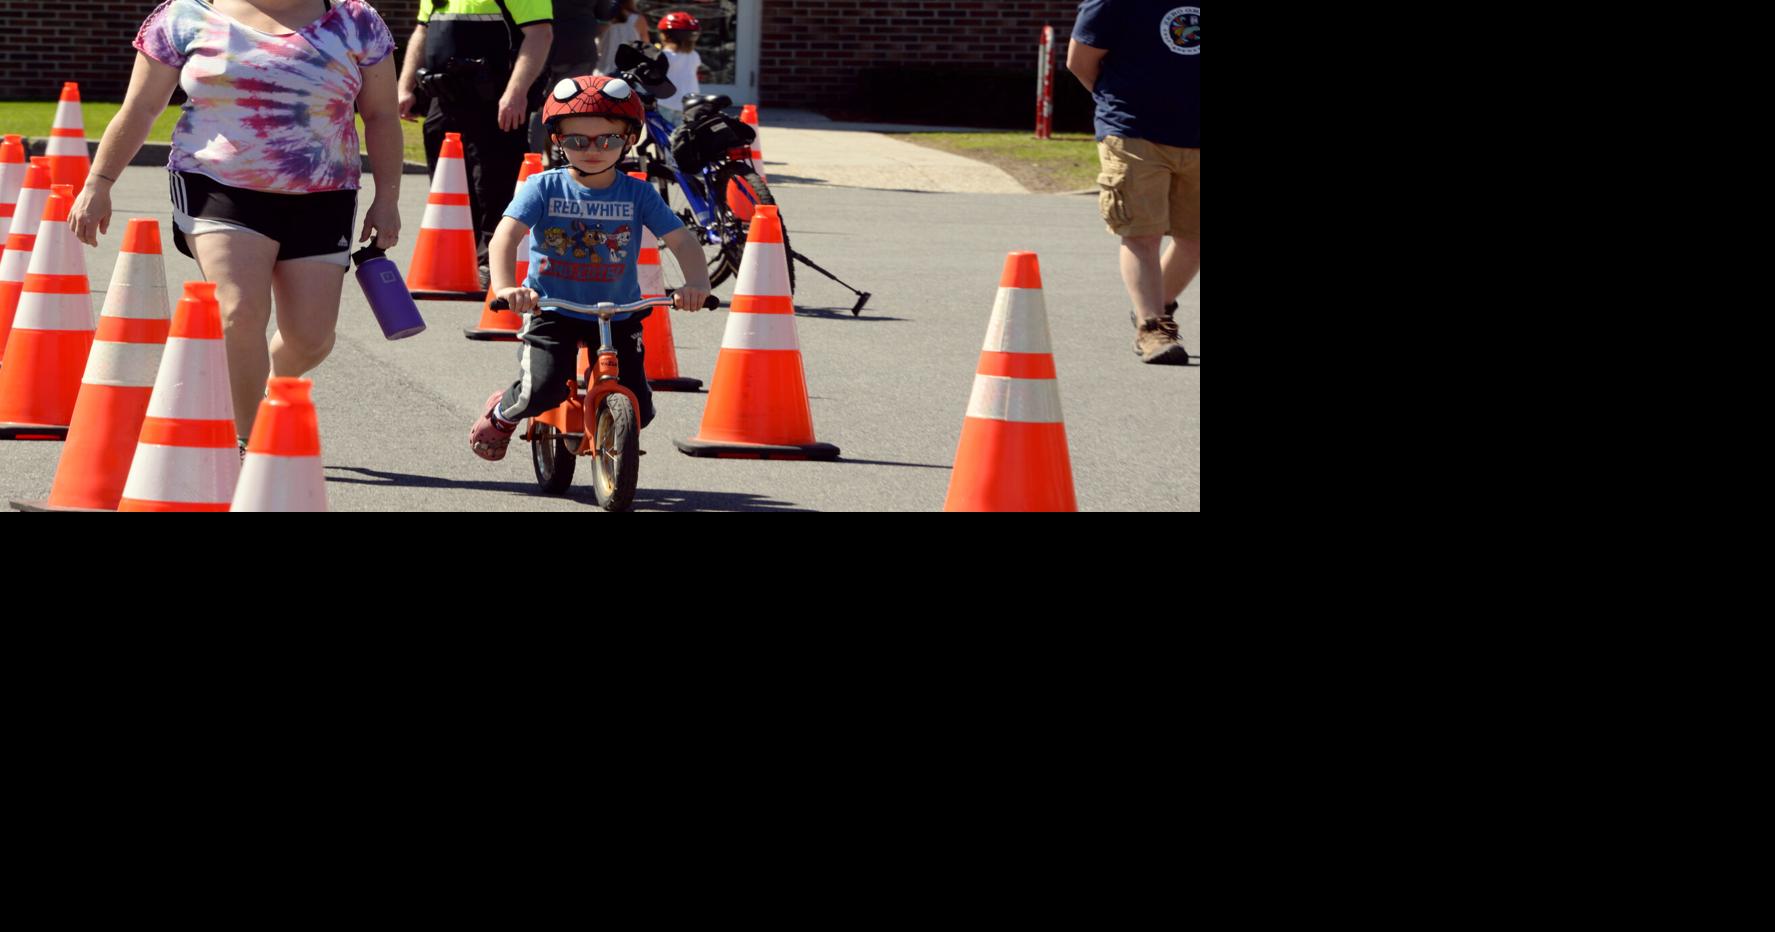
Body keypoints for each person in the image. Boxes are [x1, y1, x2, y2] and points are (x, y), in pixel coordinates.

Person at [71, 0, 403, 448]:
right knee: (239, 311)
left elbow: (382, 115)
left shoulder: (354, 20)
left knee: (311, 337)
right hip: (217, 185)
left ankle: (270, 380)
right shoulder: (184, 17)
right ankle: (248, 446)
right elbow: (142, 106)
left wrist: (387, 200)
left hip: (322, 195)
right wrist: (99, 182)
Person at [469, 74, 712, 461]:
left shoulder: (637, 192)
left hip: (619, 311)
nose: (593, 150)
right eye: (577, 141)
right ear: (557, 140)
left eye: (609, 140)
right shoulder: (544, 187)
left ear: (629, 140)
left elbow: (682, 240)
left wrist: (696, 282)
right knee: (541, 389)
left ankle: (604, 423)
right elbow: (505, 237)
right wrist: (506, 287)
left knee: (640, 408)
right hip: (550, 308)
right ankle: (501, 413)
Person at [1067, 1, 1200, 365]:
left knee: (1194, 237)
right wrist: (1120, 105)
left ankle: (1156, 305)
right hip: (1133, 130)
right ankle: (1152, 327)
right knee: (1142, 231)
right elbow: (1080, 61)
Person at [397, 0, 554, 286]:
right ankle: (457, 259)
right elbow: (422, 30)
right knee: (448, 184)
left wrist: (516, 92)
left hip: (495, 100)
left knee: (494, 181)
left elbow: (540, 34)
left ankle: (492, 264)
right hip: (443, 98)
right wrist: (405, 86)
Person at [654, 10, 703, 124]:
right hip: (691, 103)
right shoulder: (694, 55)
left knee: (666, 137)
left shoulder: (664, 55)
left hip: (667, 103)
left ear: (666, 35)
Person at [592, 0, 648, 77]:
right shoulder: (638, 19)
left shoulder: (600, 19)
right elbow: (646, 46)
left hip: (602, 72)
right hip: (629, 74)